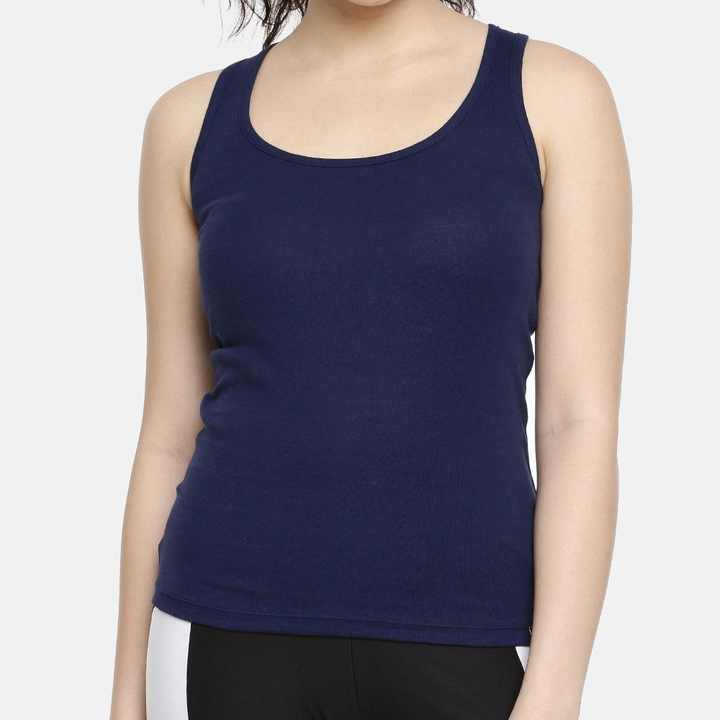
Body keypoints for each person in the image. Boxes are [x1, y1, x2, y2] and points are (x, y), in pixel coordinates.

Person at [110, 0, 631, 717]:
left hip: (476, 636)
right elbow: (169, 431)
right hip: (220, 630)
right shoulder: (189, 123)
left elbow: (578, 424)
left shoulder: (556, 98)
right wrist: (127, 691)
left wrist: (555, 692)